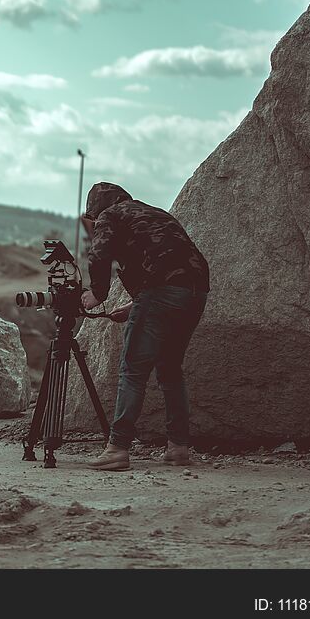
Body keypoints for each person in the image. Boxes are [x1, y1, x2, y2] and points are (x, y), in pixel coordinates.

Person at [79, 182, 209, 471]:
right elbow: (165, 257)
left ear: (97, 208)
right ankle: (178, 448)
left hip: (162, 291)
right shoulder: (154, 213)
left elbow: (99, 255)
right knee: (170, 371)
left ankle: (117, 449)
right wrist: (138, 303)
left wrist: (97, 294)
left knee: (132, 371)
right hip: (195, 292)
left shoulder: (110, 216)